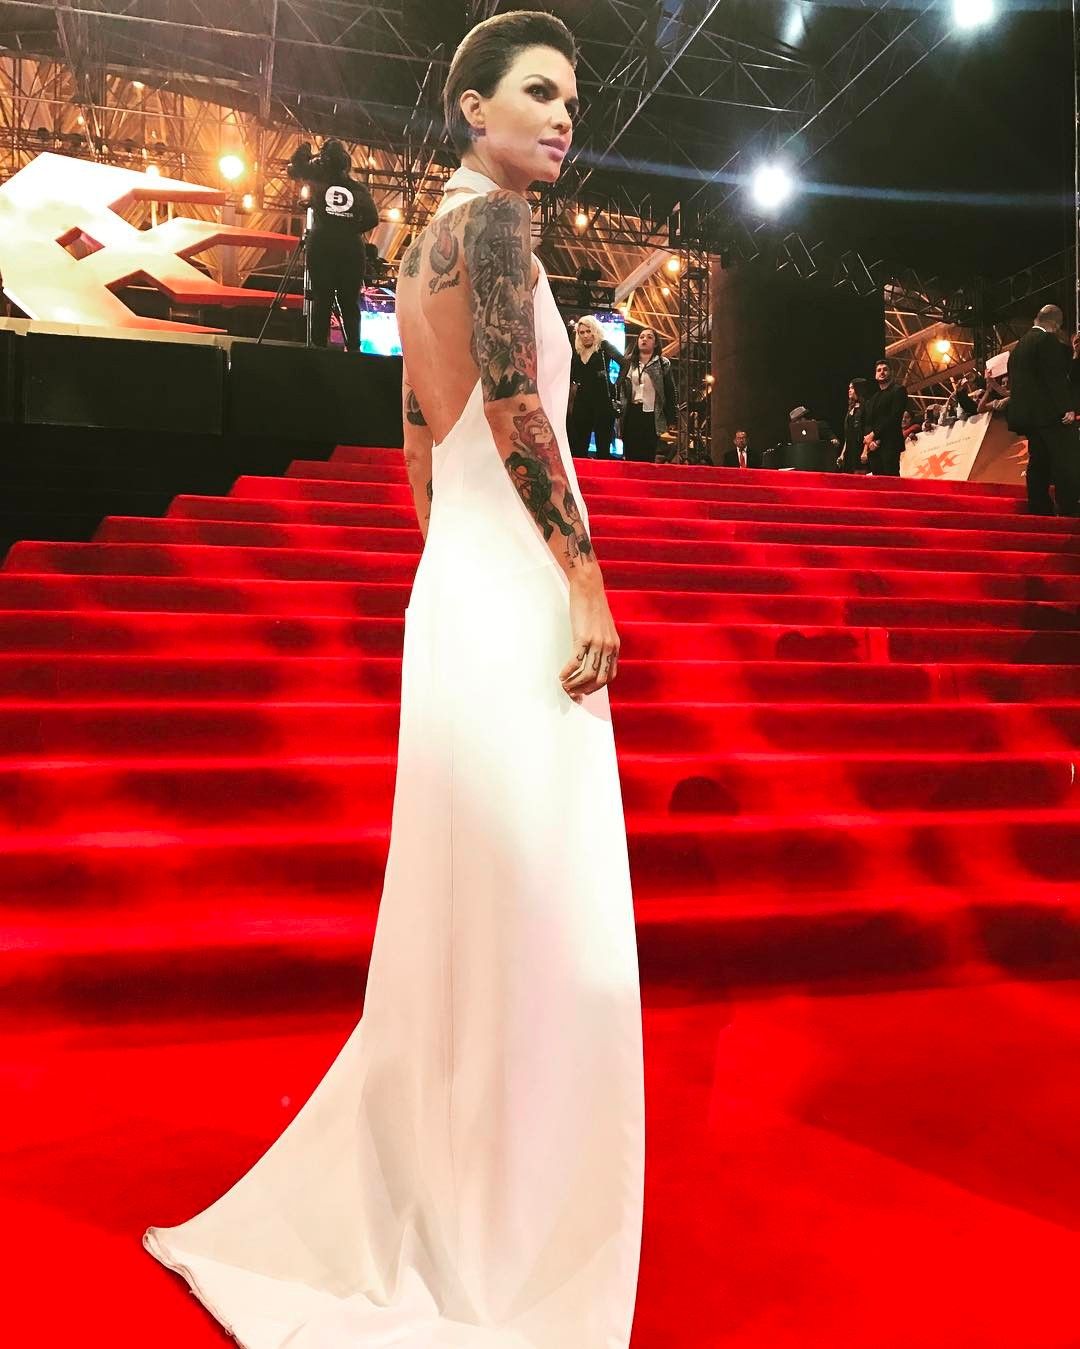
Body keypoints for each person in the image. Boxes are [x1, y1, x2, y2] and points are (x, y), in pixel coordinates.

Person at [144, 11, 646, 1349]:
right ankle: (502, 1217)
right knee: (533, 910)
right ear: (473, 106)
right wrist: (581, 577)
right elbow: (514, 407)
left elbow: (416, 424)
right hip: (515, 584)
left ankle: (452, 1181)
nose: (565, 115)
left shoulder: (425, 237)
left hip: (457, 588)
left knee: (468, 907)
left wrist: (450, 558)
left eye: (573, 97)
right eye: (539, 92)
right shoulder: (499, 230)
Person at [287, 138, 379, 350]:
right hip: (351, 249)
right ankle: (354, 350)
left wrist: (305, 147)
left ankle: (319, 348)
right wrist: (350, 228)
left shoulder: (317, 179)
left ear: (324, 160)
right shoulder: (359, 189)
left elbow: (296, 164)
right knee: (350, 302)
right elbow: (373, 219)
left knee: (322, 298)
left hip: (322, 245)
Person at [1006, 303, 1078, 516]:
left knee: (1038, 462)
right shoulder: (1046, 340)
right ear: (1056, 324)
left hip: (1028, 417)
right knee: (1065, 459)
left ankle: (1039, 507)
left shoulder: (1019, 346)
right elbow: (1054, 377)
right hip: (1049, 415)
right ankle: (1068, 507)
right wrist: (1067, 407)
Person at [617, 326, 676, 462]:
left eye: (649, 337)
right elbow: (620, 385)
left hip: (651, 414)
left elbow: (670, 391)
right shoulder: (629, 362)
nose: (644, 339)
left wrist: (672, 418)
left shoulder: (662, 363)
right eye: (642, 337)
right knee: (630, 452)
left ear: (655, 344)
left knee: (647, 452)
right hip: (631, 412)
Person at [568, 313, 622, 458]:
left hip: (603, 401)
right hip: (582, 401)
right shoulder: (577, 350)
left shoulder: (603, 346)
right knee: (578, 447)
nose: (585, 335)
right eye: (582, 332)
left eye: (589, 331)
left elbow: (624, 363)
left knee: (603, 447)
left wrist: (616, 385)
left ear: (595, 331)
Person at [863, 357, 909, 475]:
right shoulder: (873, 398)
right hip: (873, 448)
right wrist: (870, 441)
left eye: (885, 369)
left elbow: (894, 417)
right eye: (879, 370)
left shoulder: (899, 390)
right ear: (875, 375)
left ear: (891, 372)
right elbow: (868, 421)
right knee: (878, 482)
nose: (882, 372)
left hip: (890, 444)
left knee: (891, 480)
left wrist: (874, 435)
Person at [838, 378, 872, 472]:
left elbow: (868, 429)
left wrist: (865, 451)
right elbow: (848, 434)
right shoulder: (851, 407)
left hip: (860, 448)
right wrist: (842, 454)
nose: (849, 390)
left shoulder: (866, 405)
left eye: (852, 388)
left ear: (859, 389)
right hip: (850, 450)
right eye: (849, 388)